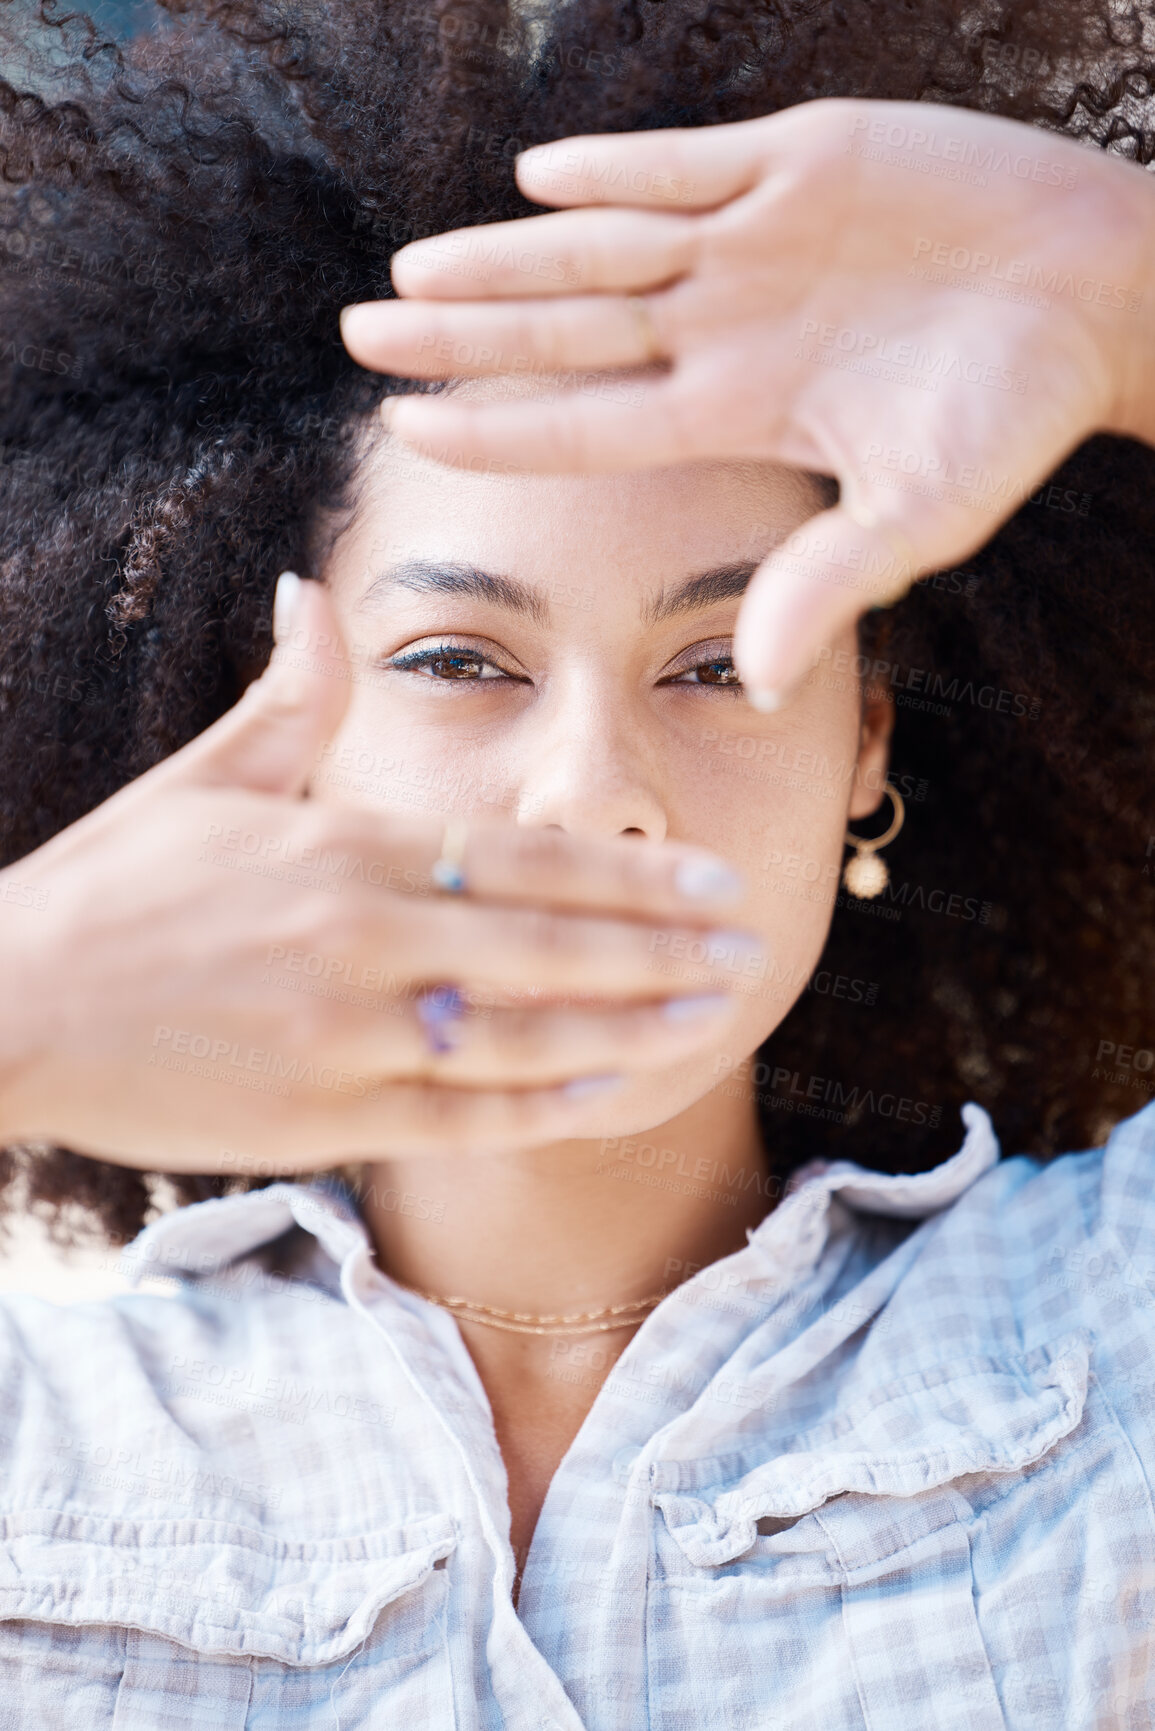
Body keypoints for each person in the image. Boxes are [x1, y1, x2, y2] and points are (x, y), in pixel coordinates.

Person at [0, 0, 1153, 1725]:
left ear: (869, 749)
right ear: (276, 728)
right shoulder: (36, 1419)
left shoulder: (1119, 1318)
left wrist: (1115, 286)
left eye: (721, 661)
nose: (592, 796)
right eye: (461, 660)